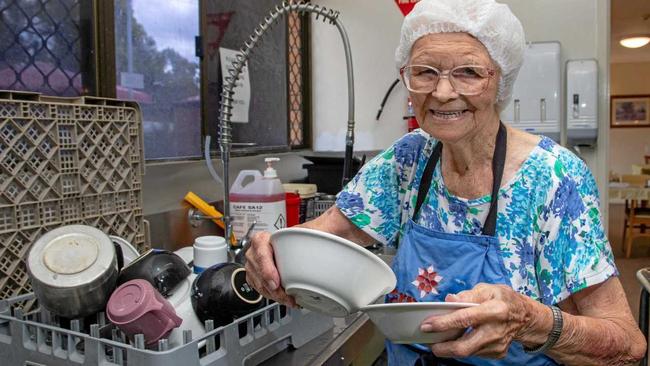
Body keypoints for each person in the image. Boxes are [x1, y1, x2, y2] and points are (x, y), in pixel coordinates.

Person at [245, 0, 647, 364]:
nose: (441, 92)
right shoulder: (408, 159)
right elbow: (324, 235)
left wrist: (531, 321)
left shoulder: (556, 179)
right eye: (424, 72)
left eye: (468, 72)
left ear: (500, 81)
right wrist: (271, 248)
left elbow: (627, 345)